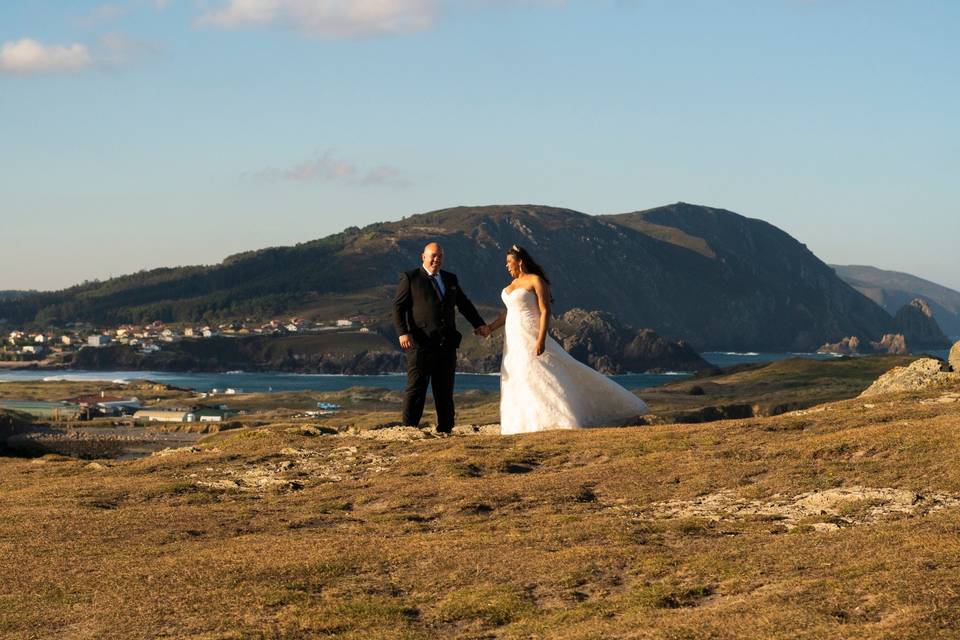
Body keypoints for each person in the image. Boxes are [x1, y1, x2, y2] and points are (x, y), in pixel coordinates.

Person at [480, 244, 648, 435]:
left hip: (531, 334)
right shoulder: (509, 287)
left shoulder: (535, 281)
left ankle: (565, 416)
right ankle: (523, 424)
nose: (507, 266)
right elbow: (507, 314)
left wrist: (541, 339)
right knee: (520, 376)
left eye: (509, 262)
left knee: (546, 373)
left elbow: (545, 310)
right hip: (513, 339)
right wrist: (490, 328)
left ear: (520, 262)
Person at [393, 242, 488, 433]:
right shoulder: (411, 278)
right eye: (432, 256)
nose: (436, 259)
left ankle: (446, 428)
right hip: (420, 343)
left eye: (440, 256)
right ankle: (409, 429)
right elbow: (398, 307)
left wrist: (479, 324)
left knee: (444, 389)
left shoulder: (450, 279)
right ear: (423, 257)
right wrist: (403, 332)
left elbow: (464, 304)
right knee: (416, 389)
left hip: (446, 343)